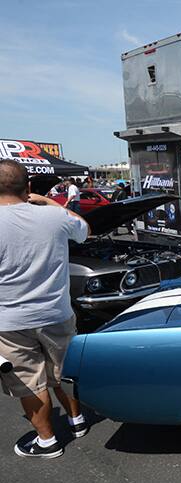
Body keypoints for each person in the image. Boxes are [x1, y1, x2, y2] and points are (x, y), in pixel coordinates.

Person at [0, 160, 91, 459]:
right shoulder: (53, 216)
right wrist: (50, 202)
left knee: (29, 380)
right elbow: (84, 230)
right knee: (65, 372)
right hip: (57, 313)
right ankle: (77, 421)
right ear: (27, 187)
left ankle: (47, 441)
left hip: (10, 321)